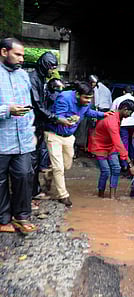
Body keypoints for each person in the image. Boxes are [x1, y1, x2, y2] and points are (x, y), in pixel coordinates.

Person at [45, 81, 112, 207]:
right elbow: (58, 116)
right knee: (59, 167)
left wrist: (103, 115)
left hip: (69, 137)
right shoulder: (64, 97)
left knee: (66, 165)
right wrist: (65, 121)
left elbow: (88, 112)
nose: (88, 101)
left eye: (90, 99)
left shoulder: (86, 103)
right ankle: (63, 195)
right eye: (85, 98)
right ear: (77, 94)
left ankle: (49, 174)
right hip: (54, 135)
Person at [0, 37, 37, 233]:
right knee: (0, 181)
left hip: (23, 139)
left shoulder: (23, 76)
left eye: (23, 55)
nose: (22, 59)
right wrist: (7, 110)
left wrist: (32, 132)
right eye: (18, 54)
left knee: (24, 175)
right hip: (2, 140)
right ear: (4, 52)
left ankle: (21, 216)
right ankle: (3, 219)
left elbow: (29, 107)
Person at [29, 51, 62, 203]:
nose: (52, 71)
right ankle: (30, 193)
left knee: (34, 160)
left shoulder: (41, 79)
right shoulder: (33, 79)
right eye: (51, 68)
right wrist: (55, 118)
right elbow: (37, 105)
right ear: (44, 66)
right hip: (32, 125)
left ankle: (33, 191)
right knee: (31, 161)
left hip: (39, 124)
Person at [89, 99, 134, 198]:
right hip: (99, 146)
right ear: (125, 109)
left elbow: (116, 141)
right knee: (106, 171)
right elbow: (118, 142)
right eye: (130, 113)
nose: (130, 115)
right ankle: (100, 195)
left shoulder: (118, 116)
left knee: (116, 168)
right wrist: (130, 164)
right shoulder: (112, 120)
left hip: (110, 145)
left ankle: (112, 197)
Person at [110, 85, 134, 170]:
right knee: (133, 143)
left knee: (124, 143)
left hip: (123, 124)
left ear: (123, 92)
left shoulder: (117, 99)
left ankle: (124, 164)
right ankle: (133, 160)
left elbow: (112, 111)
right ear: (132, 92)